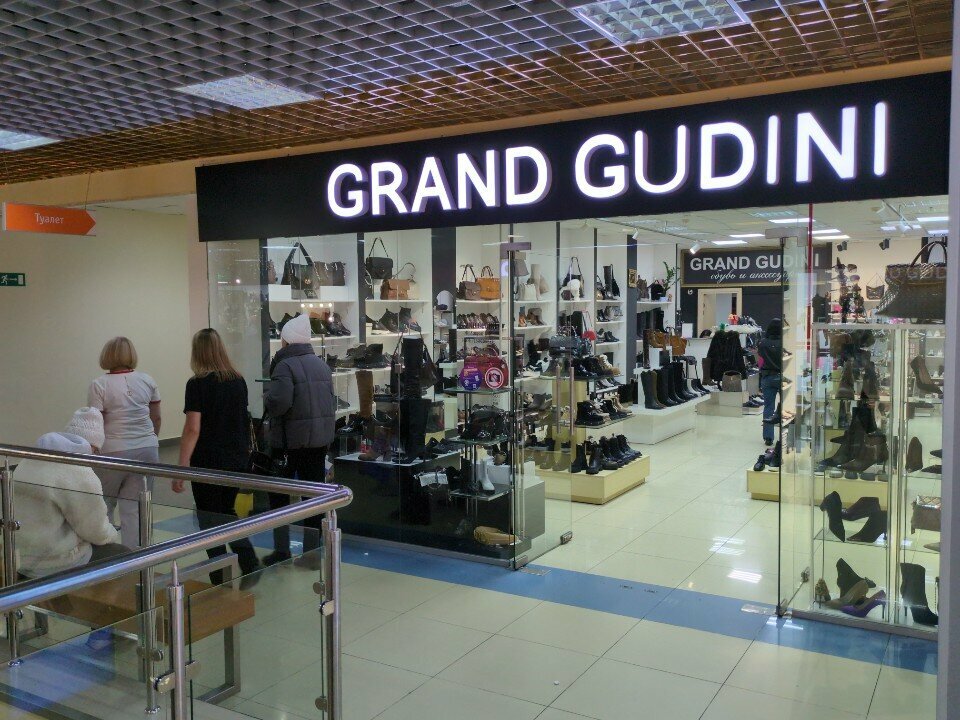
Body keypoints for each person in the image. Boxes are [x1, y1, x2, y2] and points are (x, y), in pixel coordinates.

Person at [176, 329, 261, 586]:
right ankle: (248, 561)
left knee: (208, 518)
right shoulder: (238, 380)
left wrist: (182, 465)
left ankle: (221, 574)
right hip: (236, 458)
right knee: (226, 511)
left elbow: (193, 428)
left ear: (197, 352)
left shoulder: (197, 384)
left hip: (208, 460)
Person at [263, 312, 335, 569]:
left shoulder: (284, 366)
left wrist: (267, 399)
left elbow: (279, 403)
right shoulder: (321, 365)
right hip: (317, 442)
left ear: (286, 340)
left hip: (289, 442)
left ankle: (281, 550)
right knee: (312, 498)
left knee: (279, 497)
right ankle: (312, 554)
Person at [13, 431, 127, 578]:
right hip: (56, 563)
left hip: (19, 560)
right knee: (126, 555)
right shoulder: (77, 471)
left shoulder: (25, 463)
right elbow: (95, 531)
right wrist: (112, 534)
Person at [87, 336, 161, 548]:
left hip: (112, 451)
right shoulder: (147, 380)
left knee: (104, 506)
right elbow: (156, 418)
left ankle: (107, 553)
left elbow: (96, 423)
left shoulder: (99, 385)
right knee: (136, 509)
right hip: (147, 450)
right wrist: (149, 439)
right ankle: (136, 557)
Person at [758, 318, 783, 446]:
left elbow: (760, 362)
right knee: (786, 407)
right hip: (783, 377)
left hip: (767, 377)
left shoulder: (762, 343)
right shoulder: (784, 342)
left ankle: (768, 437)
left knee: (768, 407)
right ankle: (785, 435)